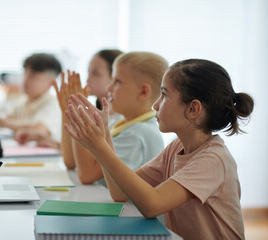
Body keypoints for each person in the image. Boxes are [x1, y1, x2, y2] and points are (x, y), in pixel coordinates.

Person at [64, 59, 254, 239]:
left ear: (193, 109)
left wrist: (99, 147)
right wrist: (104, 135)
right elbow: (119, 192)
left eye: (164, 95)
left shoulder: (214, 159)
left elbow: (152, 205)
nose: (155, 105)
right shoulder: (177, 146)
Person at [56, 52, 167, 188]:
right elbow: (71, 162)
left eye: (117, 81)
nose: (109, 87)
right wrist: (68, 112)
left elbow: (87, 175)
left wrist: (78, 113)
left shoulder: (137, 133)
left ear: (143, 92)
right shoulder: (118, 123)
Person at [54, 49, 123, 170]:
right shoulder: (97, 115)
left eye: (95, 73)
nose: (88, 79)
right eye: (88, 72)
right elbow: (70, 161)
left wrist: (76, 110)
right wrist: (68, 111)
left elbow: (86, 172)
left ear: (114, 77)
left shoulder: (120, 120)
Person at [0, 53, 62, 144]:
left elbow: (41, 129)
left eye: (32, 76)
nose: (25, 80)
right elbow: (6, 119)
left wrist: (5, 123)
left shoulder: (54, 104)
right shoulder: (22, 101)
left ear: (52, 82)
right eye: (25, 74)